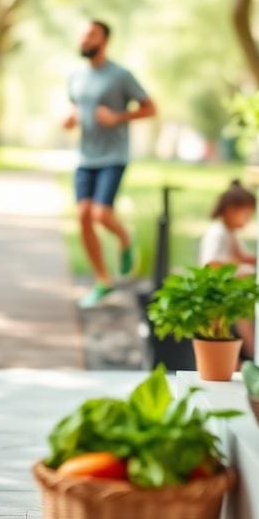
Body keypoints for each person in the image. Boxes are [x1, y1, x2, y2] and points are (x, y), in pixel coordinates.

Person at [63, 19, 156, 308]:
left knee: (101, 214)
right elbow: (77, 107)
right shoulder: (76, 76)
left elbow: (150, 108)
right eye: (82, 34)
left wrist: (118, 118)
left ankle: (125, 237)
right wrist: (72, 118)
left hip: (113, 156)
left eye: (90, 34)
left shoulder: (120, 76)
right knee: (83, 216)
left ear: (104, 40)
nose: (84, 39)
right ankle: (103, 280)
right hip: (85, 157)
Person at [199, 179, 257, 358]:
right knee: (242, 317)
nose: (248, 220)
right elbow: (212, 264)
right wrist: (242, 268)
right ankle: (252, 353)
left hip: (228, 290)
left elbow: (242, 256)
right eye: (246, 215)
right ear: (231, 210)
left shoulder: (229, 232)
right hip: (218, 293)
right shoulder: (218, 233)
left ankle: (250, 352)